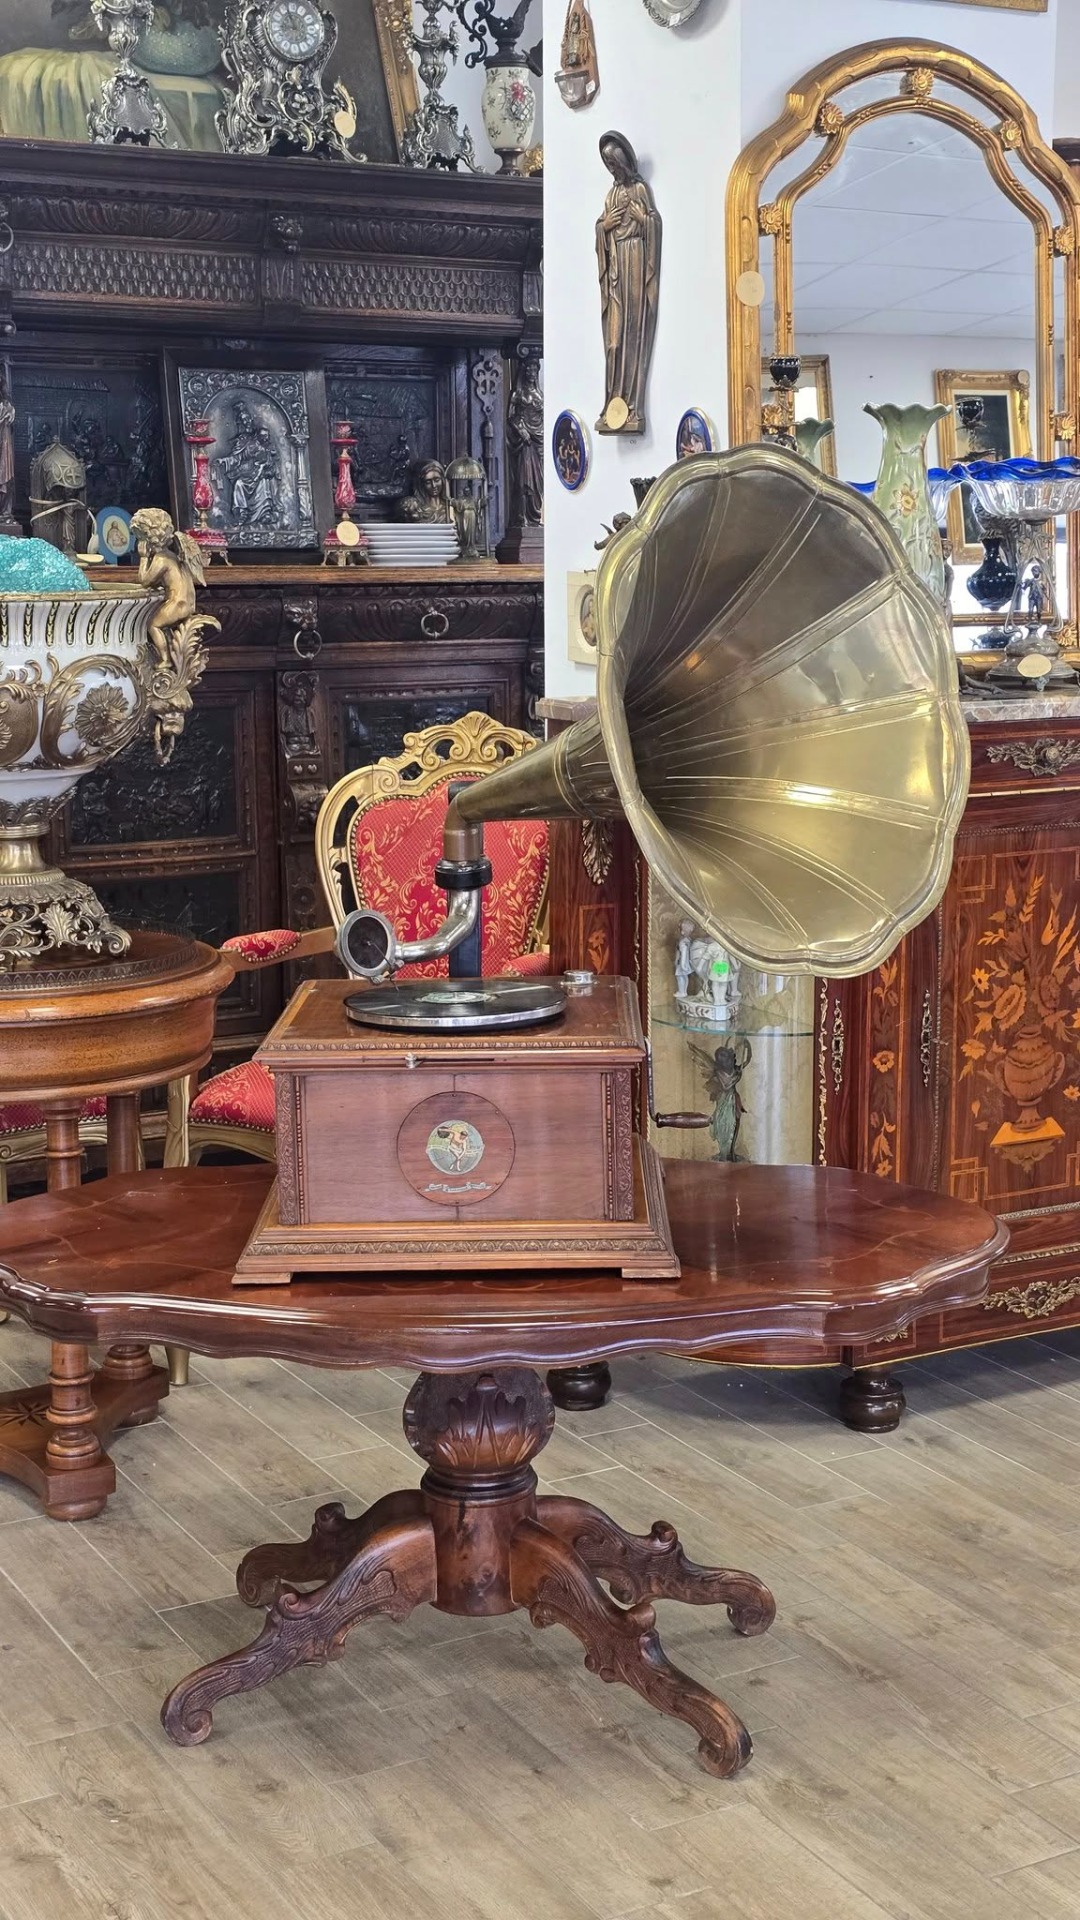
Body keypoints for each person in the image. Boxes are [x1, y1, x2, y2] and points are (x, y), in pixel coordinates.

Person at [596, 131, 662, 435]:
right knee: (614, 341)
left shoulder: (639, 189)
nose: (611, 168)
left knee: (633, 331)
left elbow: (653, 222)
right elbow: (602, 227)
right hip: (616, 269)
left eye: (614, 162)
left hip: (635, 260)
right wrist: (604, 227)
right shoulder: (610, 196)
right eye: (607, 163)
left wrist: (644, 219)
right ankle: (612, 402)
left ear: (624, 161)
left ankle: (632, 404)